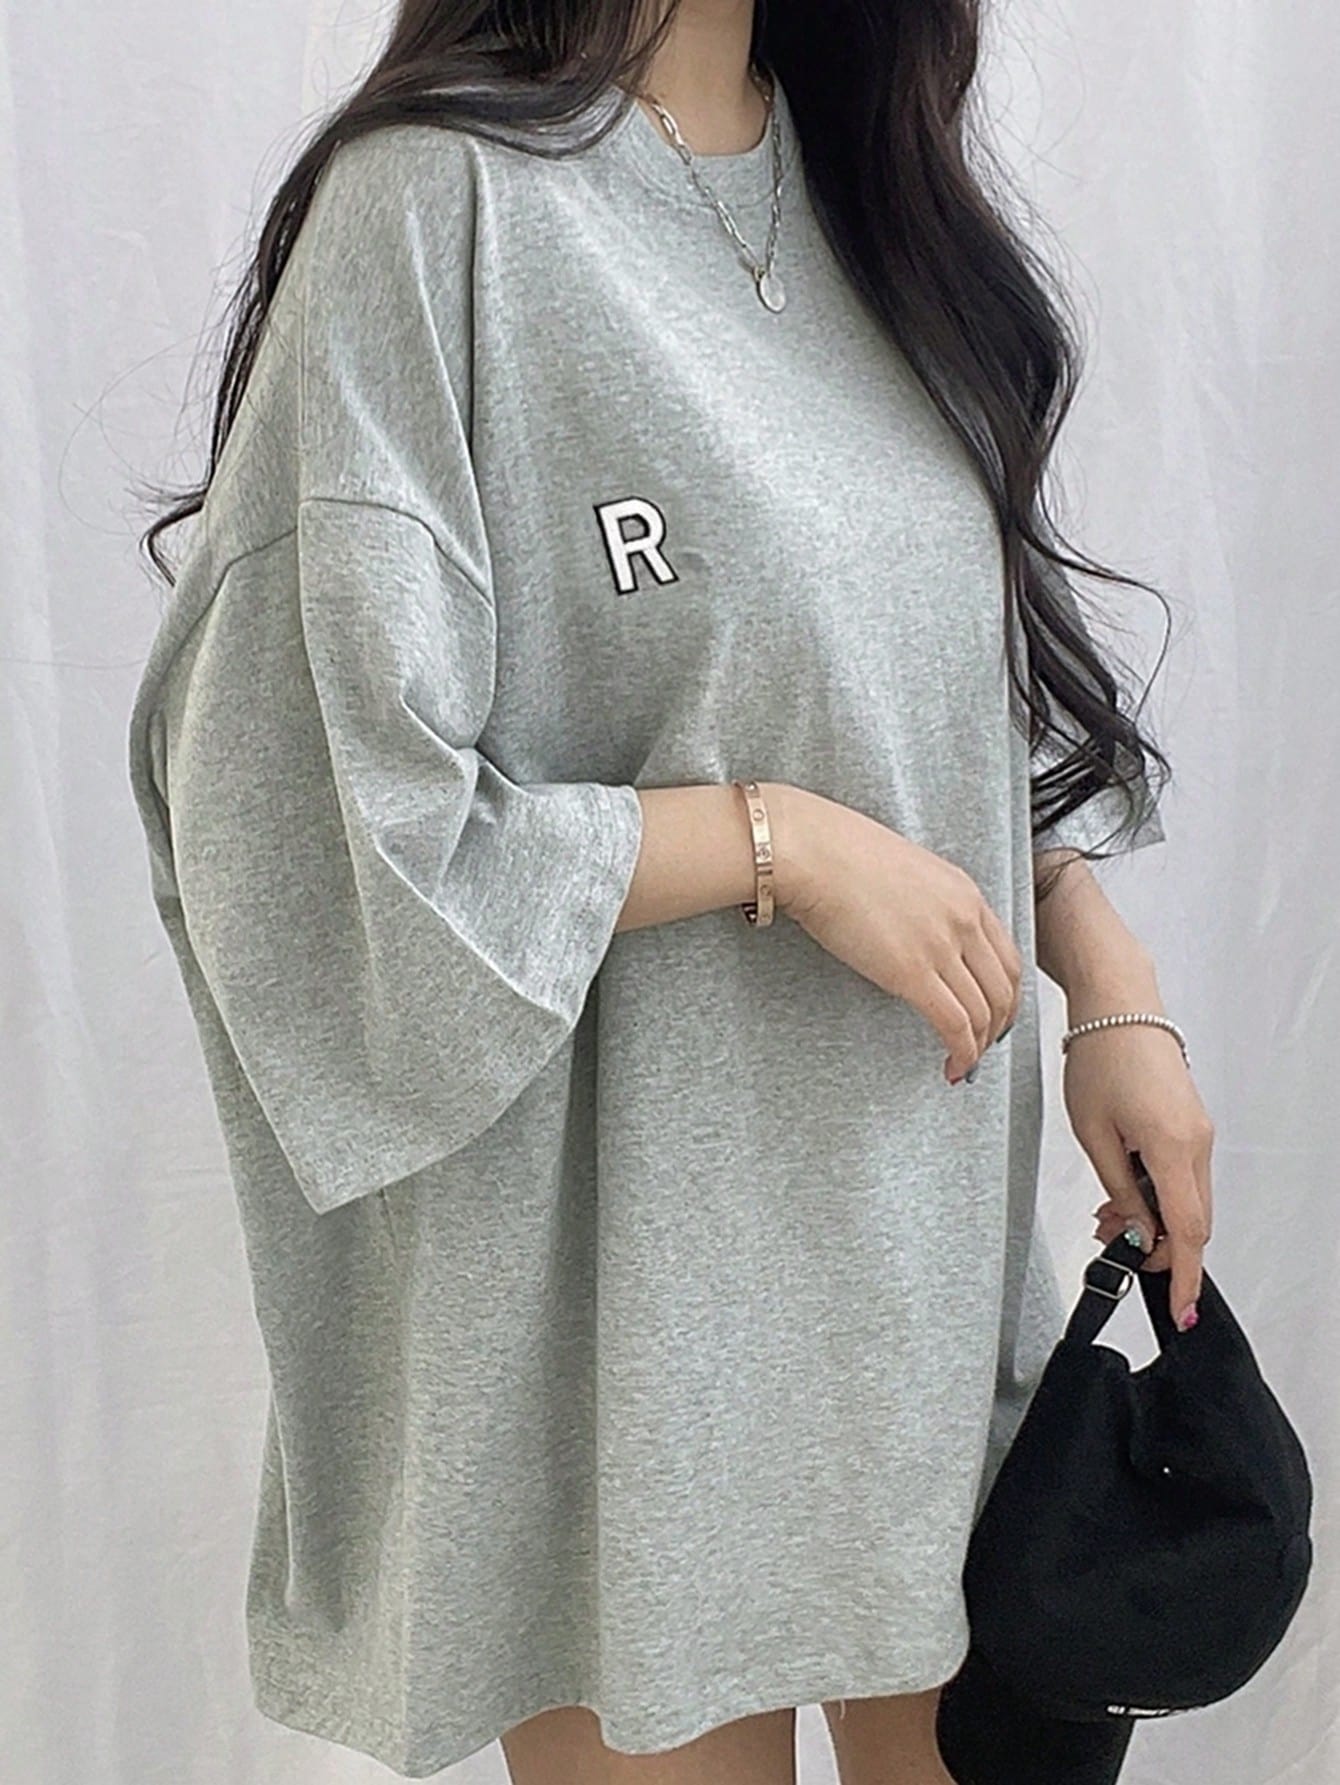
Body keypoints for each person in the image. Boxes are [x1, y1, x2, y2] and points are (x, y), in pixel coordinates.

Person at [127, 2, 1216, 1781]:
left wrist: (1106, 979)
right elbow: (308, 815)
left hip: (924, 1274)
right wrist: (773, 842)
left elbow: (930, 678)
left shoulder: (869, 186)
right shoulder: (434, 211)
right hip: (619, 1346)